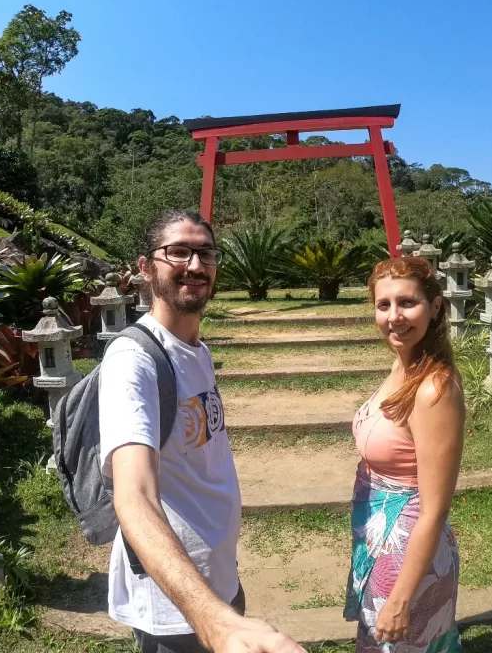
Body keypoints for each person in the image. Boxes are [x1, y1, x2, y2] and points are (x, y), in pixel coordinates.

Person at [98, 209, 304, 653]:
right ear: (145, 267)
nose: (195, 265)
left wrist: (221, 608)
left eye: (206, 253)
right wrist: (211, 619)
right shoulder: (132, 361)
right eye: (178, 252)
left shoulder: (198, 351)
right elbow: (133, 496)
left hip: (220, 580)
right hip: (178, 605)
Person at [346, 256, 465, 653]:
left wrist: (399, 599)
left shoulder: (432, 390)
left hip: (408, 550)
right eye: (384, 305)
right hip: (382, 538)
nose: (395, 316)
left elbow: (434, 509)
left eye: (407, 303)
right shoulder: (404, 366)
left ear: (434, 307)